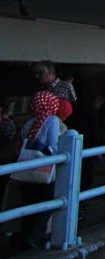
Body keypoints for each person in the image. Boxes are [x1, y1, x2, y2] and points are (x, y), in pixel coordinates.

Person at [15, 91, 62, 249]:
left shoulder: (29, 123)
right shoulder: (52, 121)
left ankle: (24, 235)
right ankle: (35, 235)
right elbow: (53, 145)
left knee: (29, 203)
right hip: (43, 168)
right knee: (48, 202)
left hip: (26, 168)